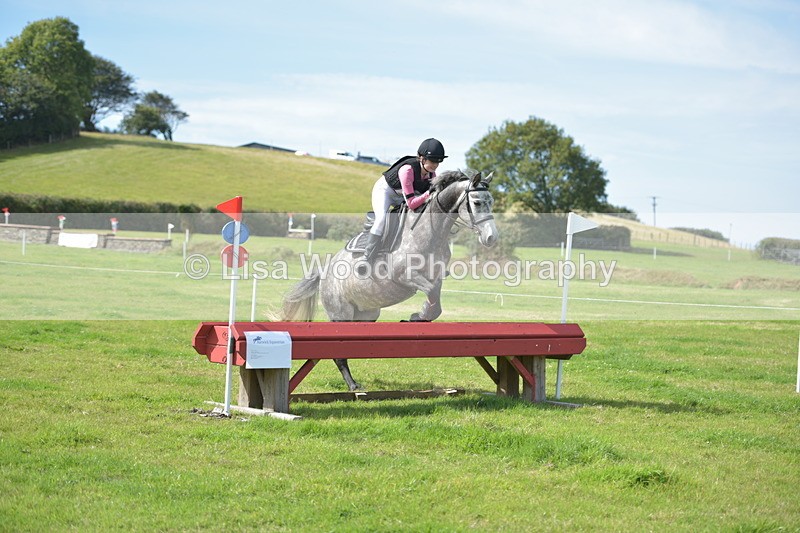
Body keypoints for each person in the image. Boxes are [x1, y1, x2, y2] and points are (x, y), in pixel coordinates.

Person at [363, 138, 447, 262]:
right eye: (433, 161)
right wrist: (428, 194)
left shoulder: (431, 174)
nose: (436, 165)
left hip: (402, 195)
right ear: (422, 158)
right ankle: (367, 258)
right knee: (381, 219)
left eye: (438, 161)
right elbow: (412, 204)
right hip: (385, 192)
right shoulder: (407, 170)